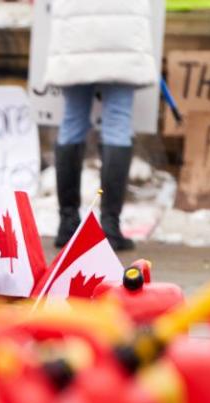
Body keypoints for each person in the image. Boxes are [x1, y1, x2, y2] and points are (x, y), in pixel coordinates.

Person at [44, 0, 156, 251]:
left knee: (72, 120)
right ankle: (110, 226)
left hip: (74, 26)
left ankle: (68, 223)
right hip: (123, 28)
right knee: (118, 123)